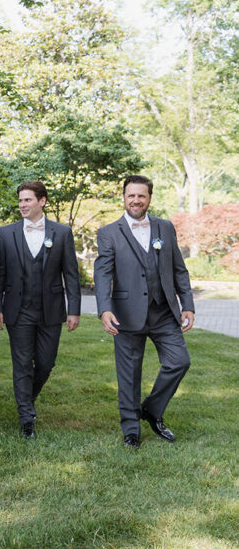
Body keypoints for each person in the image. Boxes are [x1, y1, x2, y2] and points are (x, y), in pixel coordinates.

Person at [94, 175, 194, 449]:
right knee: (129, 373)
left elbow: (178, 269)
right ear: (123, 198)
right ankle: (131, 431)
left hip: (163, 312)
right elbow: (102, 273)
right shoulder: (109, 232)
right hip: (126, 313)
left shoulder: (165, 227)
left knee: (179, 361)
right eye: (131, 195)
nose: (136, 200)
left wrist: (187, 303)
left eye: (141, 195)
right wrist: (104, 309)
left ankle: (150, 409)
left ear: (150, 198)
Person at [0, 181, 80, 439]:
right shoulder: (6, 233)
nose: (22, 205)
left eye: (27, 200)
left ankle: (26, 399)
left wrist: (73, 309)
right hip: (17, 310)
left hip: (50, 310)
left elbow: (71, 274)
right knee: (21, 363)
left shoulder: (62, 232)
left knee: (45, 362)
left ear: (42, 201)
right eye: (20, 201)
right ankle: (26, 417)